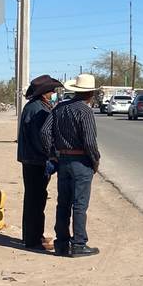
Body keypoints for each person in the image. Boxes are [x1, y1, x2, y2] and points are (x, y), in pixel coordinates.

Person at [40, 74, 101, 257]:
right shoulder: (85, 111)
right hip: (81, 161)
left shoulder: (59, 108)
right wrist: (95, 161)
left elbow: (44, 132)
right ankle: (79, 244)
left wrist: (53, 153)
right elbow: (90, 142)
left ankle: (61, 244)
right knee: (79, 205)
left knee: (63, 204)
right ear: (90, 93)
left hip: (63, 161)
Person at [17, 74, 63, 251]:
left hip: (30, 159)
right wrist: (52, 155)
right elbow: (42, 137)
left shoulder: (33, 106)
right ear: (44, 92)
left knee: (33, 199)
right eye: (50, 90)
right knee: (36, 199)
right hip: (36, 160)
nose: (52, 93)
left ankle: (32, 235)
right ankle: (33, 240)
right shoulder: (39, 109)